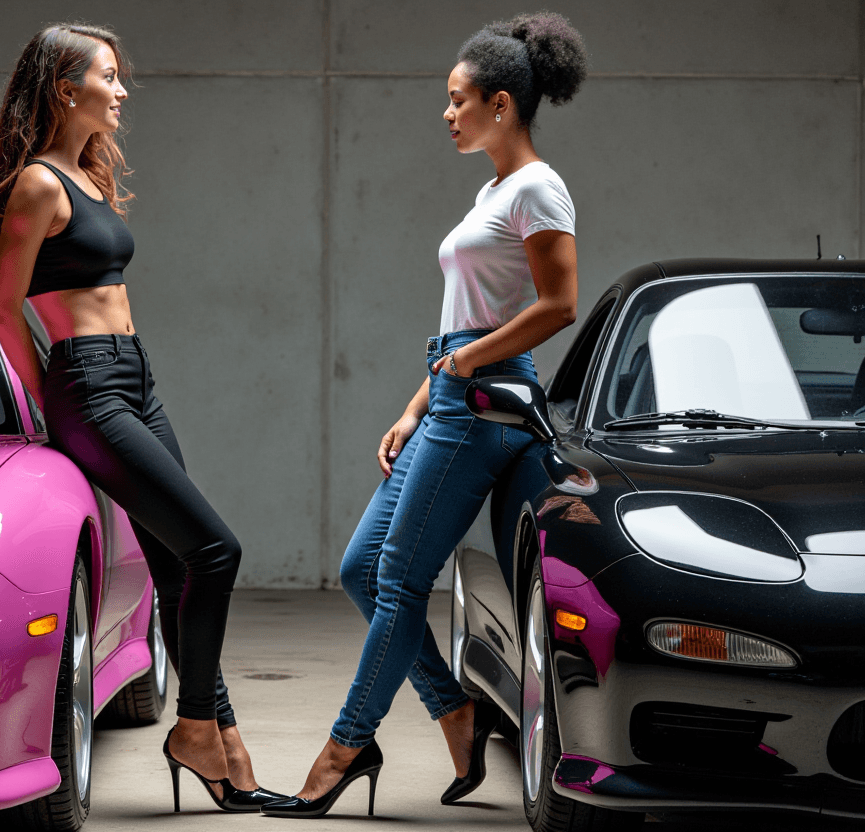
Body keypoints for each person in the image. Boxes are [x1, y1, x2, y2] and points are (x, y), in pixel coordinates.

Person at [261, 11, 588, 819]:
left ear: (502, 104)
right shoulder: (493, 189)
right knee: (360, 570)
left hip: (483, 404)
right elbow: (461, 322)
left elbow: (560, 305)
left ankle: (344, 749)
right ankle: (455, 709)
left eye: (457, 100)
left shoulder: (539, 187)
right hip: (450, 394)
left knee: (401, 581)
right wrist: (414, 406)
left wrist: (468, 366)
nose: (447, 115)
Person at [0, 23, 284, 813]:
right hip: (88, 387)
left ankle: (225, 751)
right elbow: (2, 310)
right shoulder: (39, 184)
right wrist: (56, 404)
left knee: (181, 571)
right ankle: (195, 727)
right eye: (108, 77)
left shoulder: (85, 175)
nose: (121, 91)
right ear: (65, 88)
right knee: (218, 550)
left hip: (135, 381)